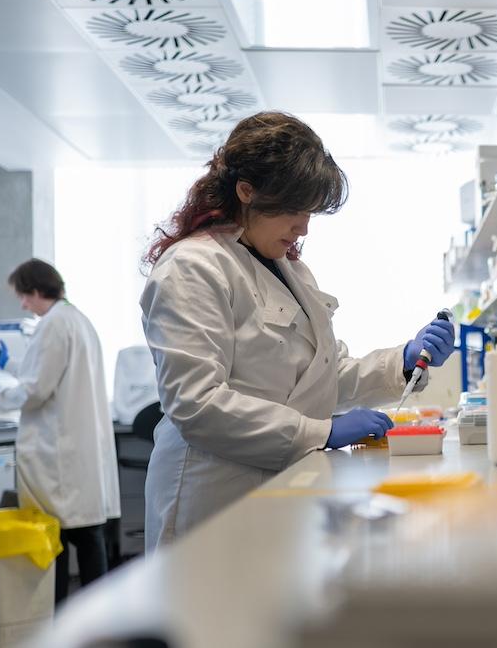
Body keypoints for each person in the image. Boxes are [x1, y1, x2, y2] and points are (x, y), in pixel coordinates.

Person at [140, 112, 455, 551]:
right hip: (212, 497)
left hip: (283, 490)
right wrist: (321, 433)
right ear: (246, 191)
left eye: (309, 211)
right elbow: (197, 404)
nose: (303, 227)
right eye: (293, 209)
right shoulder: (192, 268)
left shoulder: (289, 269)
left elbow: (321, 373)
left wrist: (402, 360)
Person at [0, 259, 120, 602]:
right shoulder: (76, 320)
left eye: (24, 297)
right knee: (88, 535)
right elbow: (44, 371)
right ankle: (91, 619)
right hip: (78, 453)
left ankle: (55, 621)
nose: (23, 304)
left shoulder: (53, 324)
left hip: (60, 455)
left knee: (57, 540)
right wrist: (6, 363)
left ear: (37, 290)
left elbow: (36, 389)